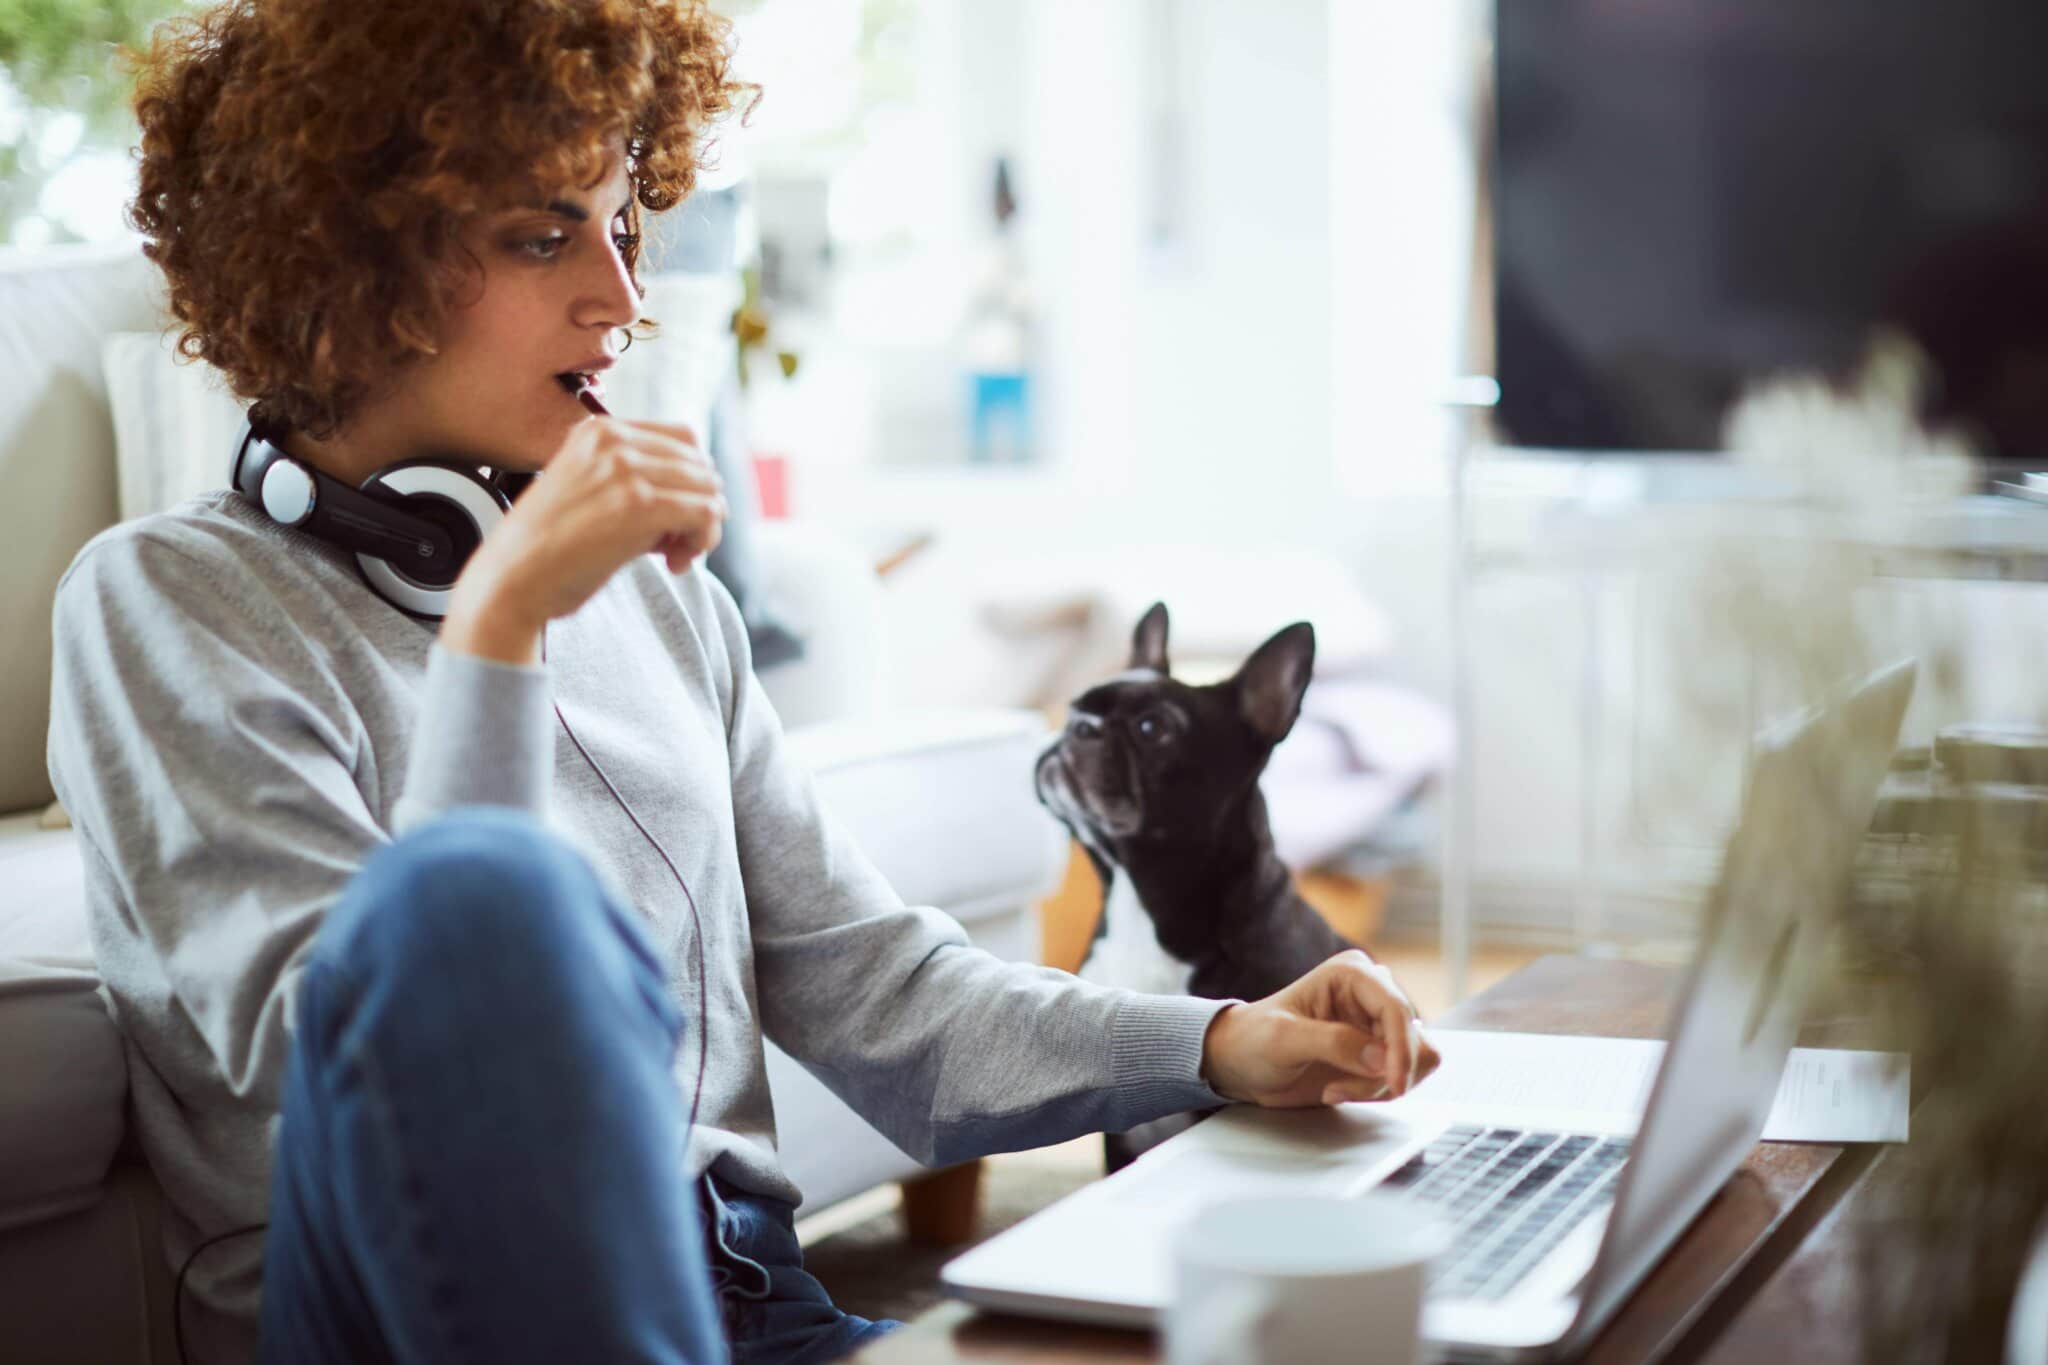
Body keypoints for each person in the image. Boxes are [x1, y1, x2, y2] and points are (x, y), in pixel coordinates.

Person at [47, 2, 1441, 1362]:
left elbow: (887, 994)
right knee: (476, 902)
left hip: (750, 1307)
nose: (624, 297)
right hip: (413, 1316)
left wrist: (1221, 1038)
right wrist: (501, 624)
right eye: (544, 236)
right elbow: (380, 1071)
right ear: (342, 267)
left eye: (624, 224)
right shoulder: (164, 604)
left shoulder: (666, 607)